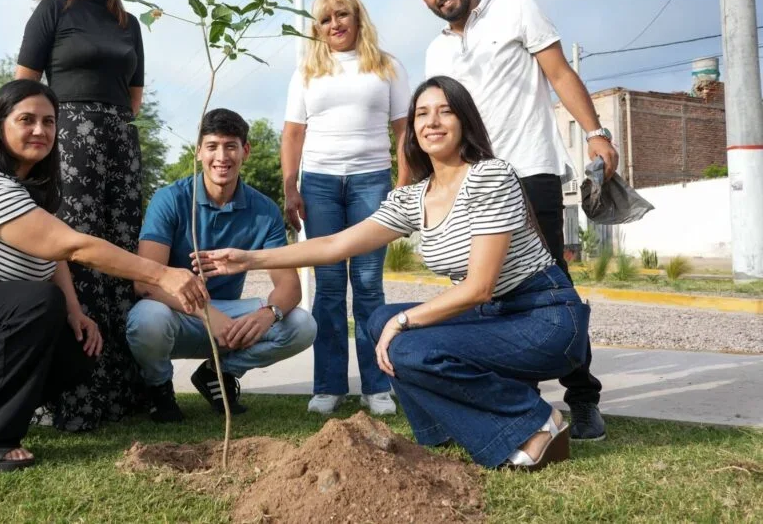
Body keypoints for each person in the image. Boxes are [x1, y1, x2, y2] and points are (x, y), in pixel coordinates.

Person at [197, 77, 590, 471]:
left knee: (402, 340)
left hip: (544, 316)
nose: (431, 122)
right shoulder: (414, 197)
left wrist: (405, 321)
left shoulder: (490, 177)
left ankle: (537, 420)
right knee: (379, 321)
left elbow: (479, 287)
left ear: (465, 120)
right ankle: (446, 430)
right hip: (492, 318)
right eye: (422, 114)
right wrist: (250, 259)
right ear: (413, 131)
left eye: (445, 111)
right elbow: (335, 244)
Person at [0, 80, 207, 472]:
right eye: (26, 120)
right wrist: (162, 274)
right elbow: (72, 247)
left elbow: (53, 256)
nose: (40, 130)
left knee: (76, 352)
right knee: (36, 303)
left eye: (49, 121)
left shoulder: (28, 187)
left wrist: (74, 313)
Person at [408, 0, 614, 441]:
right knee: (483, 294)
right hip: (471, 183)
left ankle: (583, 399)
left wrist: (594, 133)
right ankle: (518, 400)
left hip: (529, 171)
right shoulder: (436, 52)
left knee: (550, 289)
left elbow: (560, 73)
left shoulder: (516, 9)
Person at [15, 0, 147, 431]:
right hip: (69, 140)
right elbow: (22, 87)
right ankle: (73, 396)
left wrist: (109, 122)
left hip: (119, 141)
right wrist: (52, 133)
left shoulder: (128, 21)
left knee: (120, 251)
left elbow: (133, 94)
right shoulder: (52, 11)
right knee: (77, 249)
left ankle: (122, 392)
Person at [126, 108, 317, 422]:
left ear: (245, 151)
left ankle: (218, 372)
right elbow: (145, 283)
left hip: (229, 320)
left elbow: (289, 287)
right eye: (212, 146)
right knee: (146, 317)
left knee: (301, 325)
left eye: (231, 146)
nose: (221, 156)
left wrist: (267, 315)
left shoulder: (263, 209)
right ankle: (158, 387)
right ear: (198, 151)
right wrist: (205, 311)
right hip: (177, 314)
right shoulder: (170, 199)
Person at [281, 0, 411, 417]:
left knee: (370, 285)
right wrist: (290, 186)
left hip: (371, 183)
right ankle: (328, 385)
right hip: (318, 184)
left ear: (358, 17)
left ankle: (377, 386)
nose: (335, 24)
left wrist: (404, 181)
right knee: (329, 288)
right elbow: (294, 133)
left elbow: (402, 130)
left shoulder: (387, 66)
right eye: (325, 19)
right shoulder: (306, 71)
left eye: (342, 15)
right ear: (316, 28)